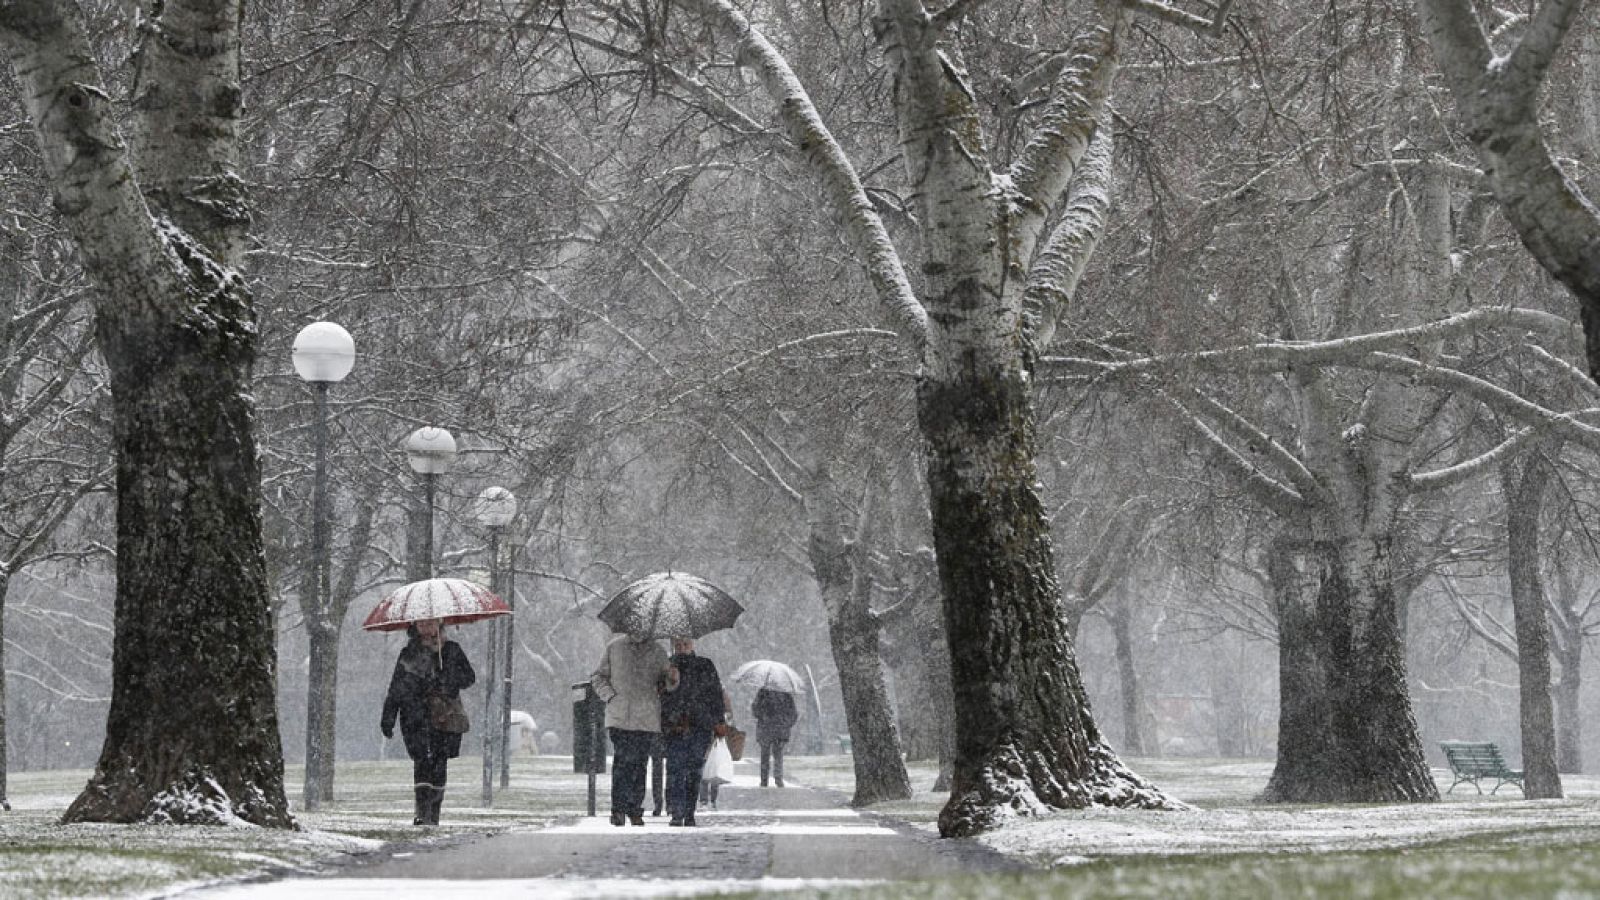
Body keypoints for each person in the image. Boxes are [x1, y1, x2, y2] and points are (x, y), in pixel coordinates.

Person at [381, 618, 476, 826]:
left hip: (443, 716)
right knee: (421, 761)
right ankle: (422, 812)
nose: (425, 627)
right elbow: (396, 687)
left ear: (440, 624)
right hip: (414, 715)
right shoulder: (408, 654)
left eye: (430, 623)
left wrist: (448, 677)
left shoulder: (451, 650)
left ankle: (434, 813)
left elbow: (469, 678)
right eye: (421, 623)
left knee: (439, 762)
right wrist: (389, 716)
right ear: (414, 626)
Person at [591, 632, 672, 827]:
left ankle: (635, 808)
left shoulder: (658, 651)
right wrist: (610, 696)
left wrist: (671, 679)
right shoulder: (614, 647)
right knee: (622, 763)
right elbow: (598, 676)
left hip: (646, 718)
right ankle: (618, 809)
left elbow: (666, 685)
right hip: (620, 717)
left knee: (640, 765)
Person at [660, 635, 724, 827]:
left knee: (694, 770)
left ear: (692, 644)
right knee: (676, 769)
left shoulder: (705, 665)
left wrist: (718, 721)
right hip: (675, 726)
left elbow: (715, 694)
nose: (681, 648)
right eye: (677, 645)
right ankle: (677, 812)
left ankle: (689, 811)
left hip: (700, 725)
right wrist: (670, 682)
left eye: (685, 644)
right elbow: (661, 696)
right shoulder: (667, 666)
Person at [752, 686, 798, 788]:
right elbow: (793, 714)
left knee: (765, 755)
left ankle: (764, 780)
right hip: (779, 729)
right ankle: (778, 779)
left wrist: (763, 716)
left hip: (766, 728)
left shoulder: (763, 692)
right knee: (778, 755)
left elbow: (755, 710)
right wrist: (786, 724)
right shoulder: (786, 694)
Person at [698, 689, 733, 810]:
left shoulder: (700, 693)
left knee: (705, 769)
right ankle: (710, 800)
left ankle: (705, 801)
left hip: (708, 736)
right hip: (714, 736)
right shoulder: (721, 693)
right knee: (713, 770)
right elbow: (729, 715)